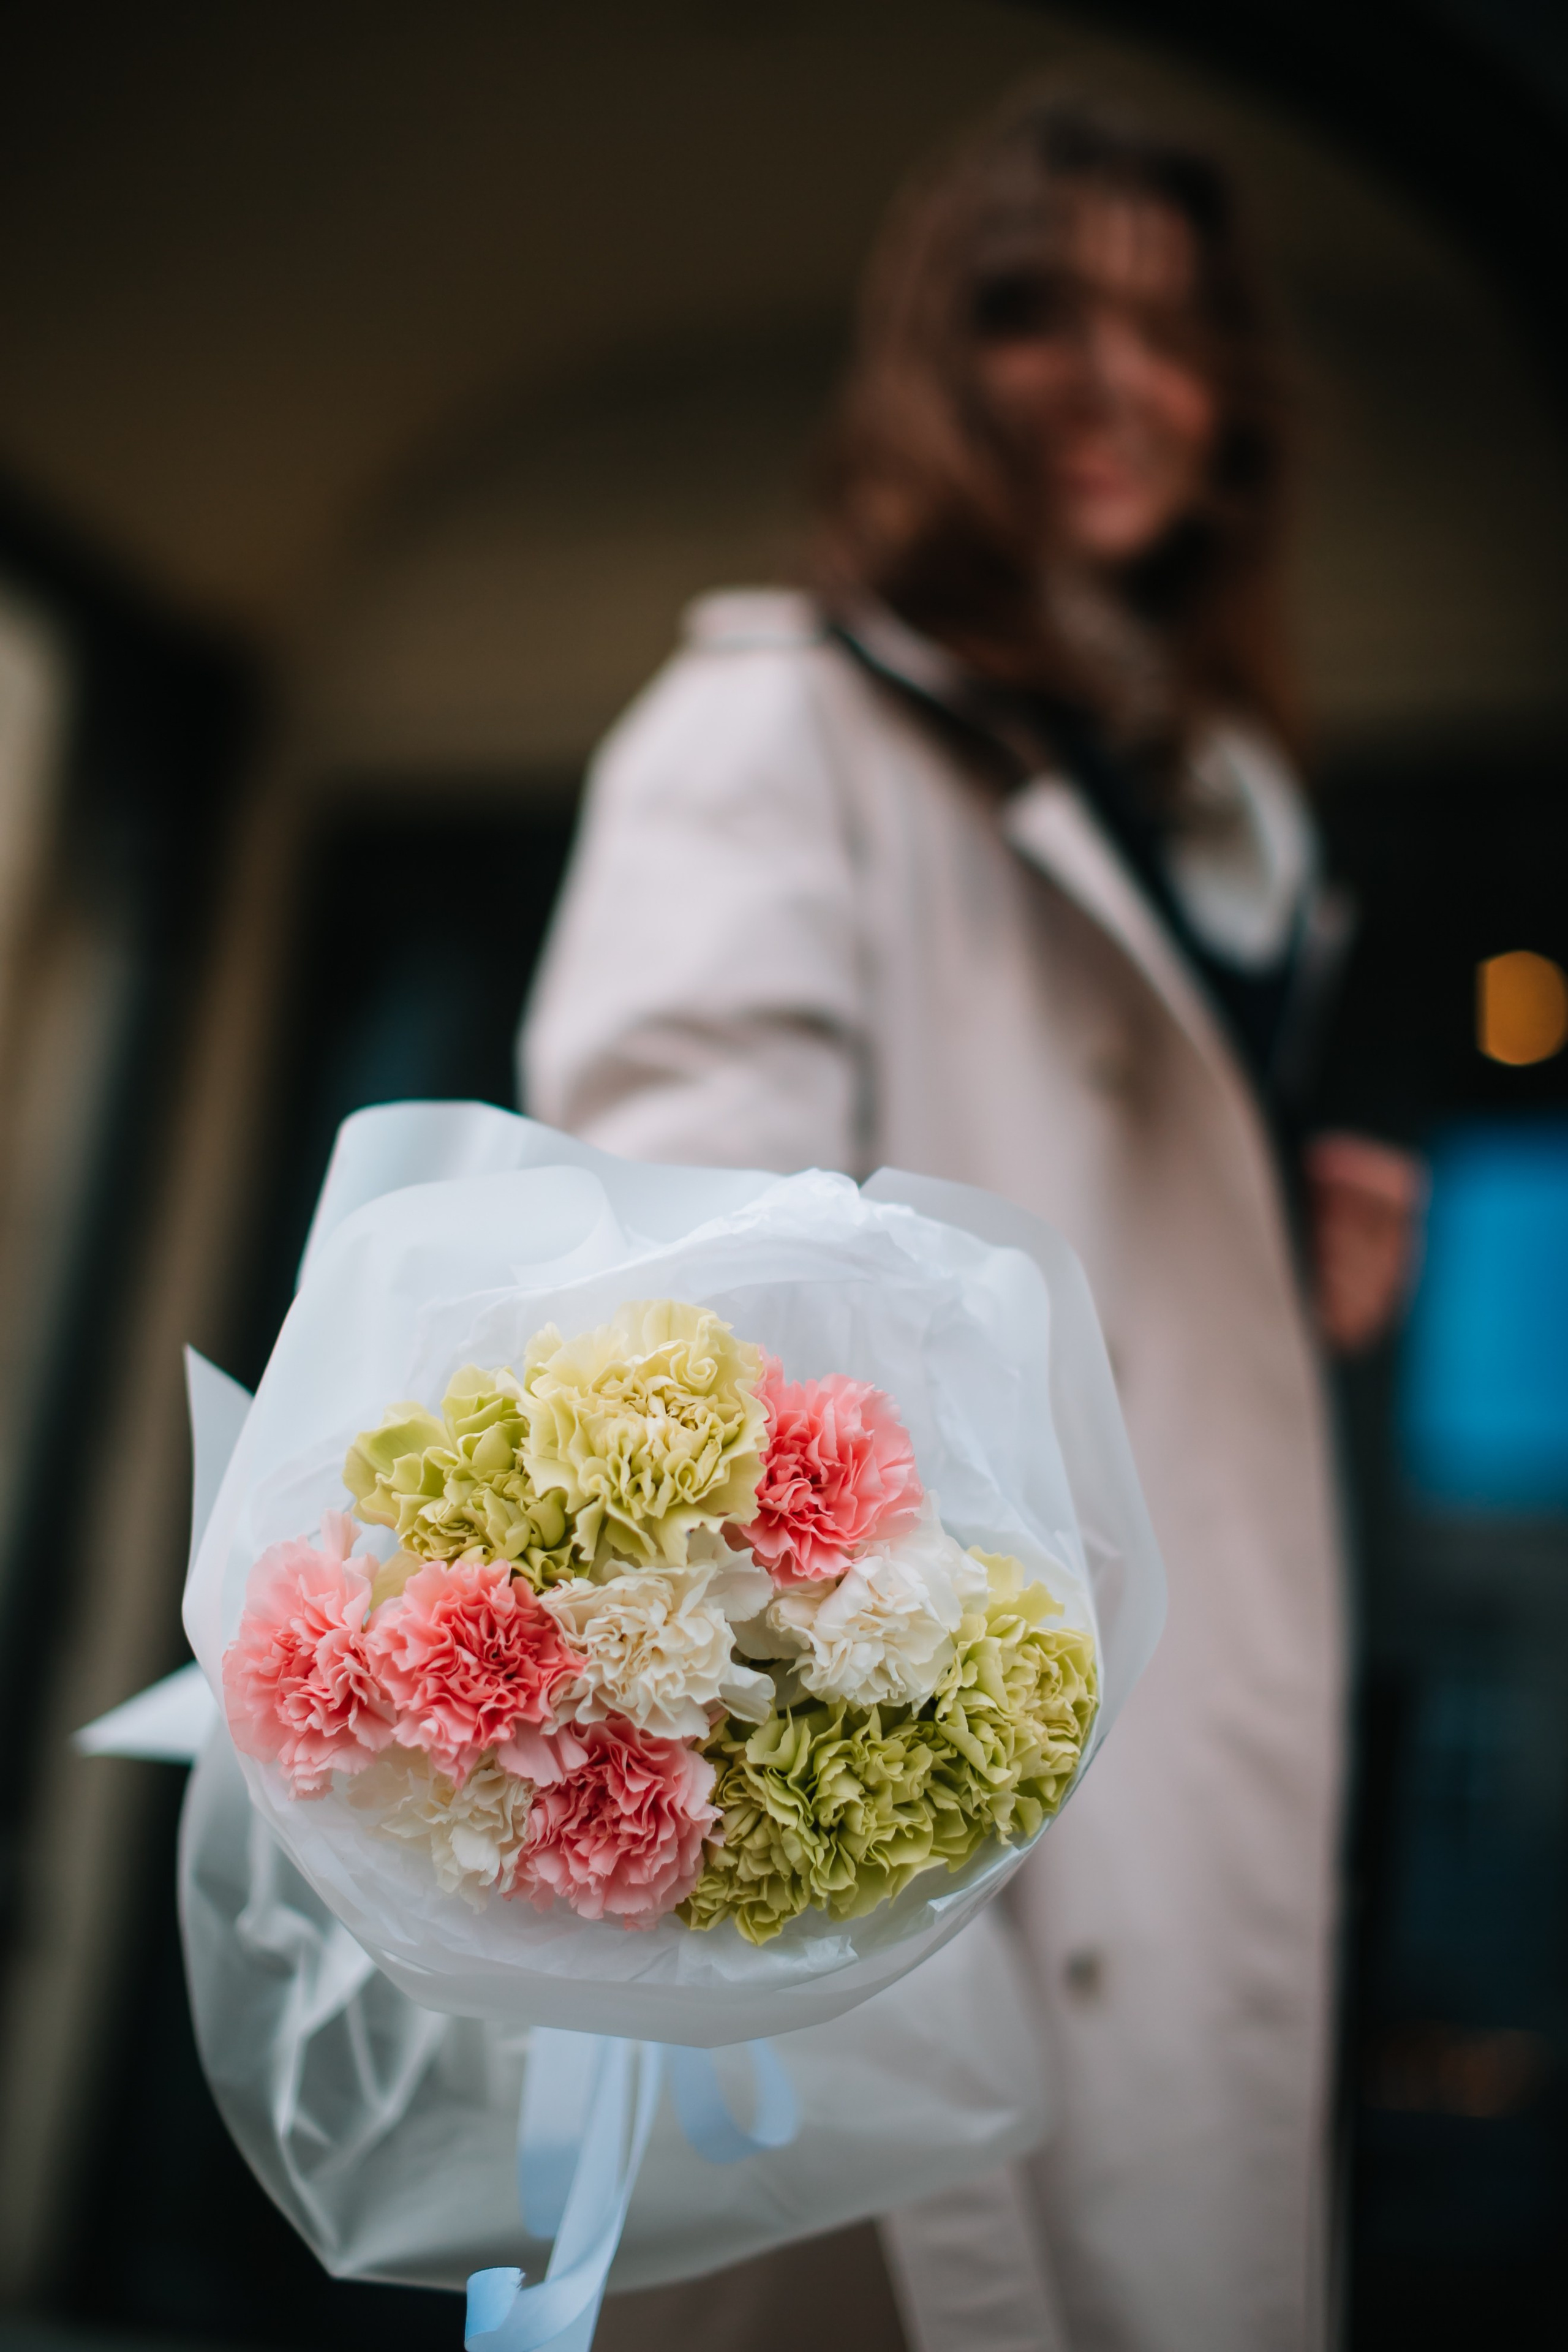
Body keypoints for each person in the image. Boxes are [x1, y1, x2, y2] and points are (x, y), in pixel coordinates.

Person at [522, 90, 1422, 2352]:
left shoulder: (1226, 815)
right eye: (1039, 313)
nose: (1116, 381)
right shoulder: (777, 722)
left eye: (1174, 328)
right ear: (938, 358)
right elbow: (678, 1302)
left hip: (1182, 1749)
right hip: (948, 1807)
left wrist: (1257, 1249)